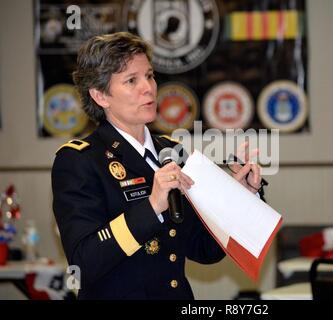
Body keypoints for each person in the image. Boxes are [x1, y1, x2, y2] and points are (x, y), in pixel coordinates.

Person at [51, 32, 263, 299]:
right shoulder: (79, 161)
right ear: (100, 96)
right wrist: (152, 208)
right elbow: (83, 263)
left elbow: (204, 249)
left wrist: (239, 196)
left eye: (149, 76)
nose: (148, 88)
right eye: (131, 80)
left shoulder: (171, 151)